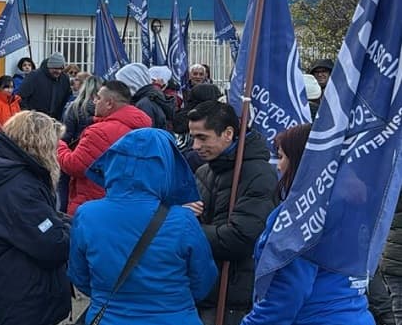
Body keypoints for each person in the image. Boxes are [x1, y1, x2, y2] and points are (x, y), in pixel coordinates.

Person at [70, 128, 218, 325]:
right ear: (168, 168)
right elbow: (204, 278)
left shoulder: (87, 214)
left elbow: (78, 274)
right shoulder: (182, 219)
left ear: (113, 164)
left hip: (109, 317)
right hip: (173, 316)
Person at [241, 124, 375, 325]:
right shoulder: (354, 208)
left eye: (282, 156)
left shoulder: (300, 216)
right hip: (357, 315)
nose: (278, 166)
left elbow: (287, 292)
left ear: (302, 162)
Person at [0, 111, 71, 325]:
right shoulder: (19, 186)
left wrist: (65, 222)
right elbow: (51, 244)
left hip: (7, 276)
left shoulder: (5, 169)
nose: (56, 152)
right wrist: (76, 230)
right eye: (53, 145)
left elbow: (40, 219)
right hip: (23, 289)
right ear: (39, 145)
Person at [185, 101, 277, 325]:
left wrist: (184, 226)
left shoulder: (259, 174)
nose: (195, 146)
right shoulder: (204, 171)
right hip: (203, 290)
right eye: (193, 137)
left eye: (202, 137)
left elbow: (240, 239)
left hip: (235, 296)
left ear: (228, 133)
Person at [57, 80, 151, 215]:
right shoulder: (144, 127)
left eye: (98, 98)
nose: (95, 102)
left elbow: (75, 166)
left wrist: (59, 146)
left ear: (109, 103)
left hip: (94, 204)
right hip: (129, 203)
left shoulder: (100, 132)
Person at [59, 75, 103, 212]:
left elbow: (66, 134)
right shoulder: (104, 109)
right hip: (97, 155)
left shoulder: (75, 107)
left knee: (66, 192)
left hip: (74, 153)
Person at [114, 62, 175, 129]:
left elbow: (146, 134)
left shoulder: (144, 104)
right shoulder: (149, 98)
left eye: (123, 83)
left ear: (132, 82)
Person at [17, 52, 71, 120]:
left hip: (55, 121)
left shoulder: (64, 79)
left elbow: (66, 99)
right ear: (49, 66)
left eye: (61, 68)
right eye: (55, 68)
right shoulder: (34, 76)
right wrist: (29, 116)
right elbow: (20, 98)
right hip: (34, 121)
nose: (58, 71)